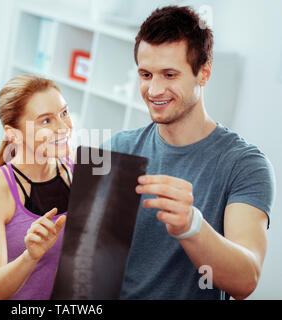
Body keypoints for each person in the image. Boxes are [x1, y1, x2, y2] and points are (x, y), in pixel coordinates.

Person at [102, 6, 275, 300]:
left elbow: (246, 279)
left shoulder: (245, 165)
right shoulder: (118, 150)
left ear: (204, 73)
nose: (154, 90)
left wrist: (191, 226)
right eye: (146, 74)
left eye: (169, 74)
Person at [0, 74, 75, 299]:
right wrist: (30, 256)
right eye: (46, 121)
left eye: (64, 113)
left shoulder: (77, 174)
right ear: (14, 135)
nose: (63, 127)